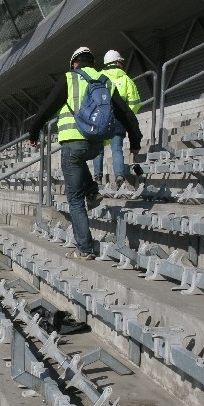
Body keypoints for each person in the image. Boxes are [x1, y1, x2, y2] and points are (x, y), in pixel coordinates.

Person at [28, 46, 143, 260]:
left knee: (74, 199)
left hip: (73, 142)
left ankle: (85, 248)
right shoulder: (103, 80)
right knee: (80, 161)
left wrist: (33, 132)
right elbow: (125, 112)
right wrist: (135, 141)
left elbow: (46, 108)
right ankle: (92, 190)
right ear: (92, 62)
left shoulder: (69, 78)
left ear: (74, 63)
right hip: (96, 144)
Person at [92, 50, 142, 188]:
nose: (121, 64)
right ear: (117, 62)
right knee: (117, 149)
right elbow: (135, 103)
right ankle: (119, 175)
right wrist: (127, 115)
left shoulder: (99, 78)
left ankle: (97, 177)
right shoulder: (126, 80)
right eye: (120, 61)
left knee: (98, 149)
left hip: (101, 119)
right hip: (119, 120)